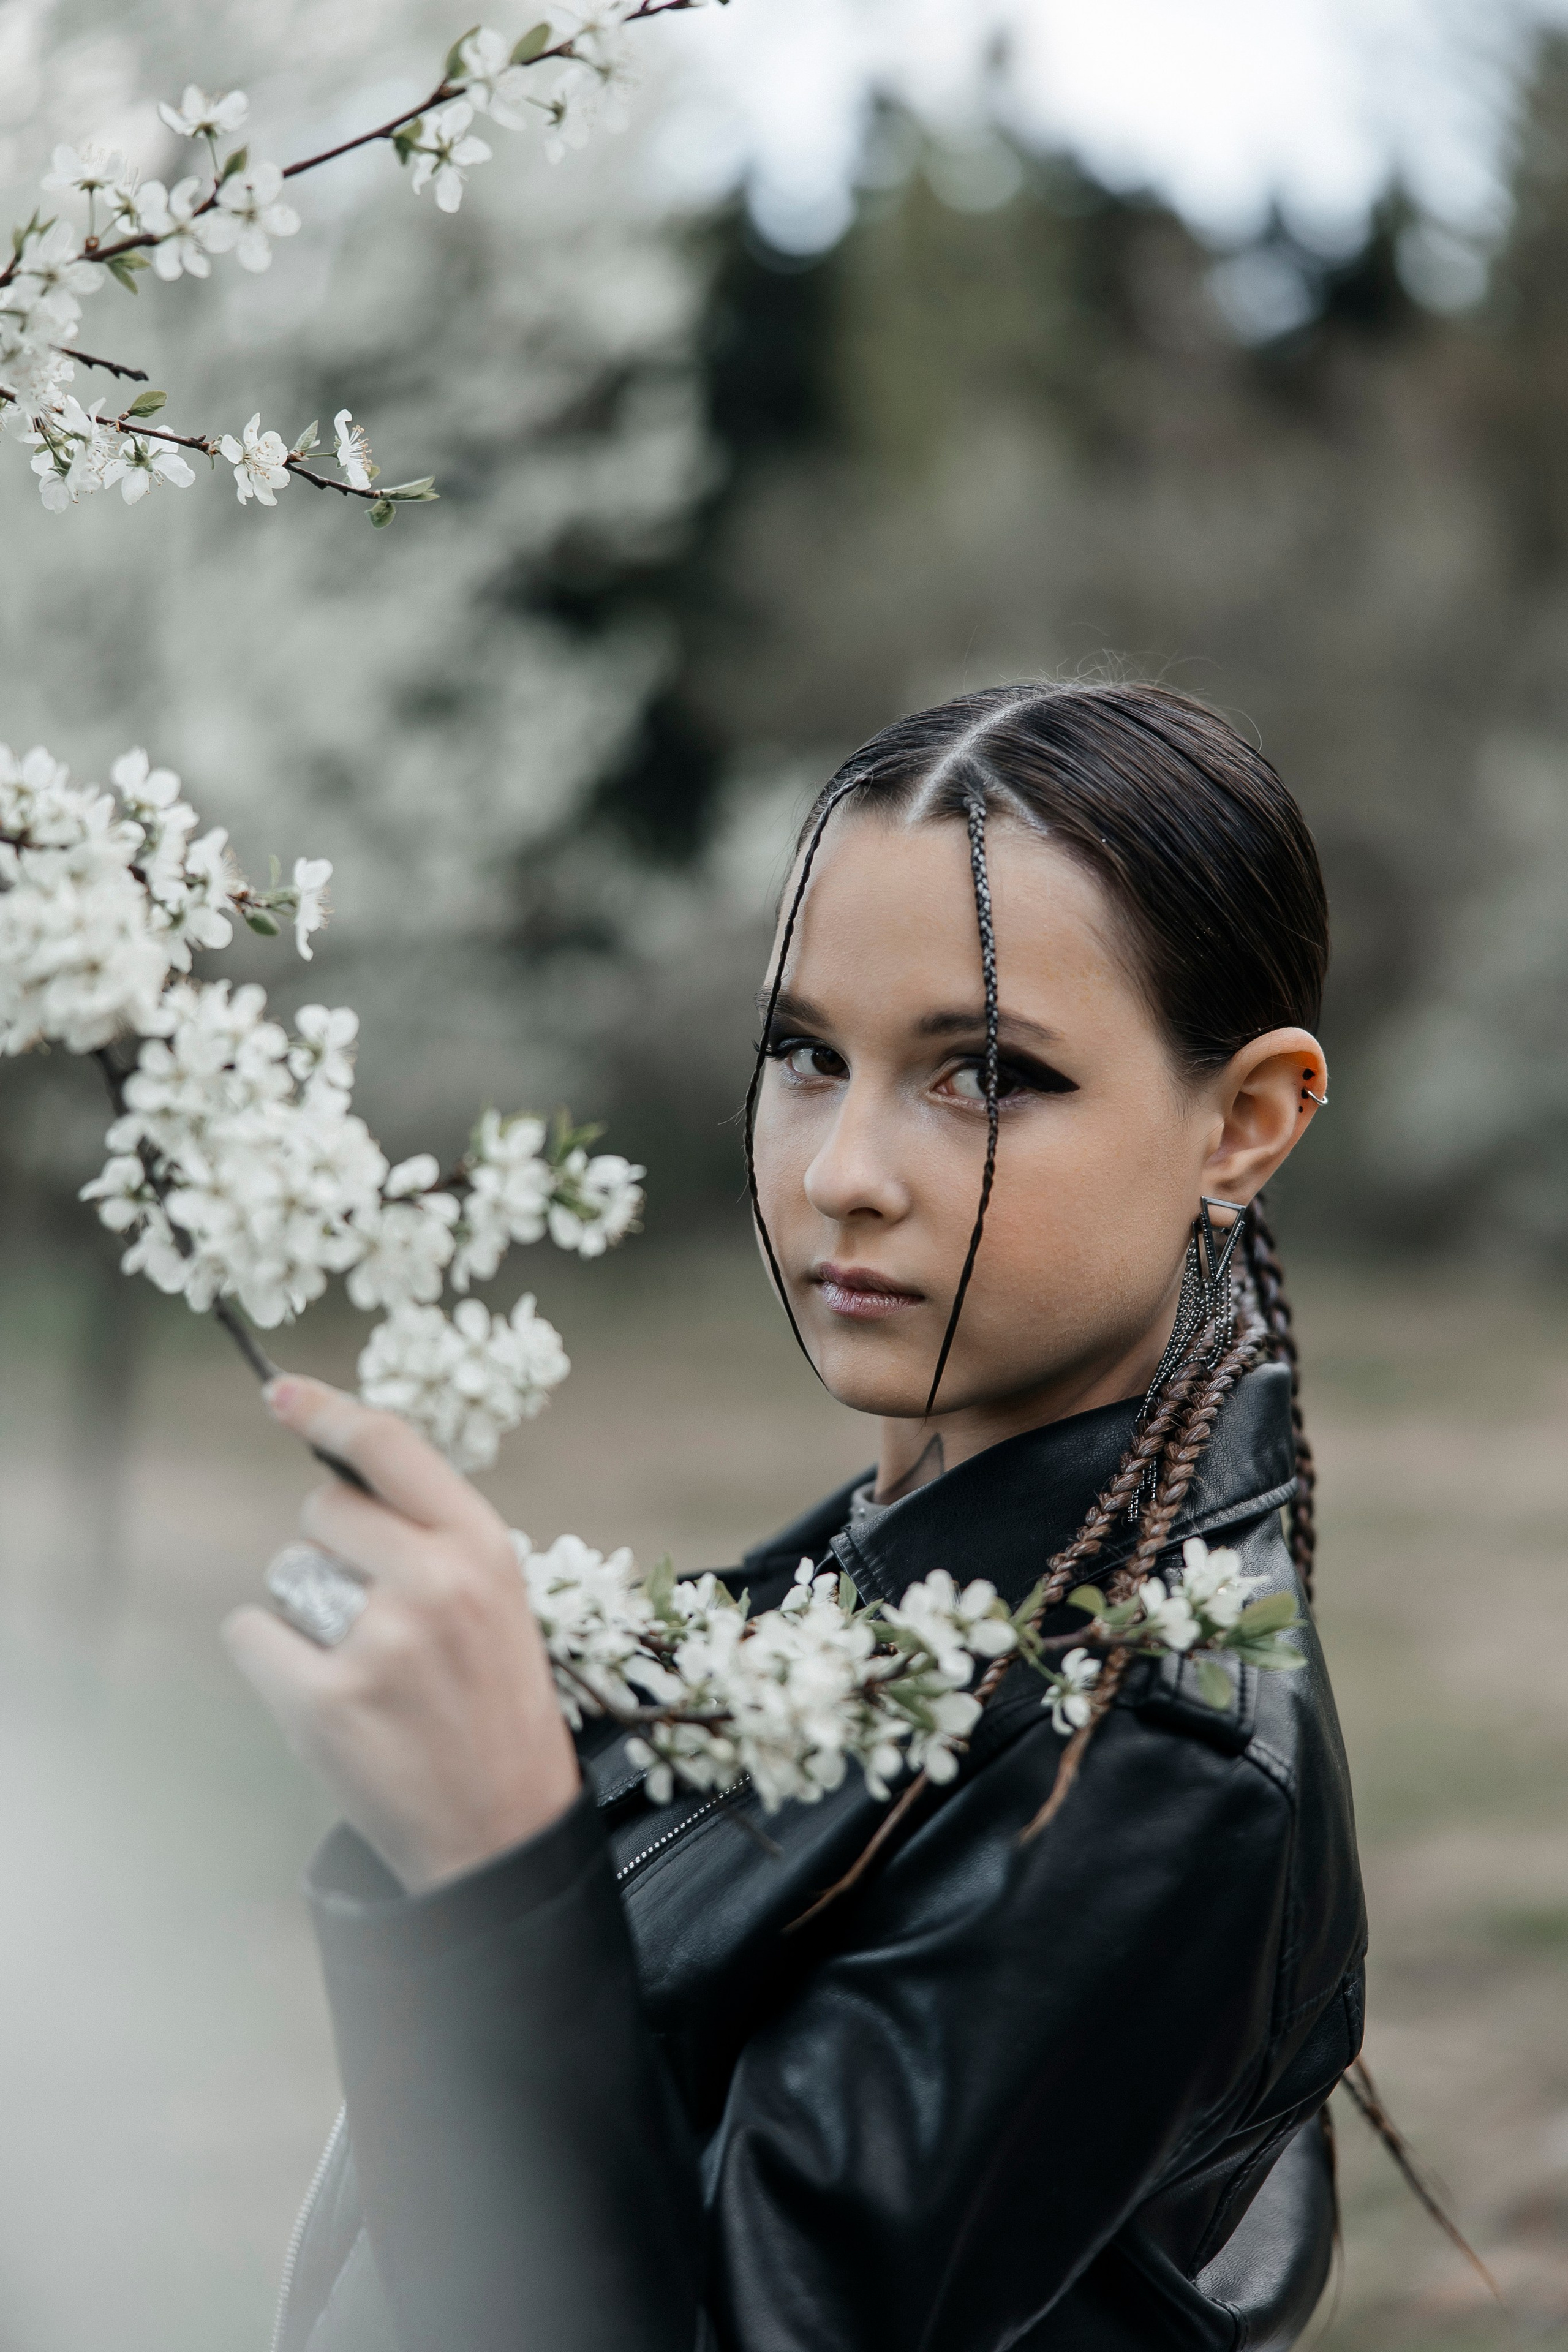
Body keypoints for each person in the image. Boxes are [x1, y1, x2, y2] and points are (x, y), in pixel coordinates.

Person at [229, 682, 1364, 2352]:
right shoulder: (904, 1582)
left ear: (1244, 1122)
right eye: (803, 1052)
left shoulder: (1144, 1757)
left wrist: (493, 1882)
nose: (843, 1167)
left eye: (986, 1071)